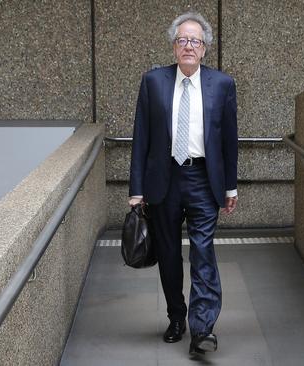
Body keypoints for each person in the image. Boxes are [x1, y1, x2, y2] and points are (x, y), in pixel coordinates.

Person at [128, 11, 238, 355]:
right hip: (164, 180)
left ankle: (202, 328)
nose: (189, 46)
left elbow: (229, 140)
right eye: (182, 40)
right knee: (171, 255)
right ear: (174, 47)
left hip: (204, 179)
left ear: (204, 49)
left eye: (195, 41)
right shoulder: (153, 81)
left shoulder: (222, 84)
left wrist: (230, 187)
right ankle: (176, 317)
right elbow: (140, 136)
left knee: (203, 252)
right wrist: (136, 190)